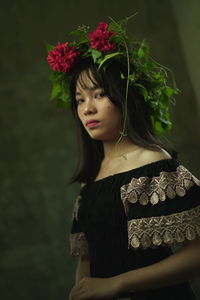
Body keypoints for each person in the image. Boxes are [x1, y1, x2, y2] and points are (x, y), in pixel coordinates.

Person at [46, 17, 200, 300]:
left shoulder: (154, 163)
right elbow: (87, 262)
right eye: (80, 99)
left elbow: (196, 256)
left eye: (99, 94)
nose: (87, 109)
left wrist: (117, 284)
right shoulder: (90, 179)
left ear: (123, 96)